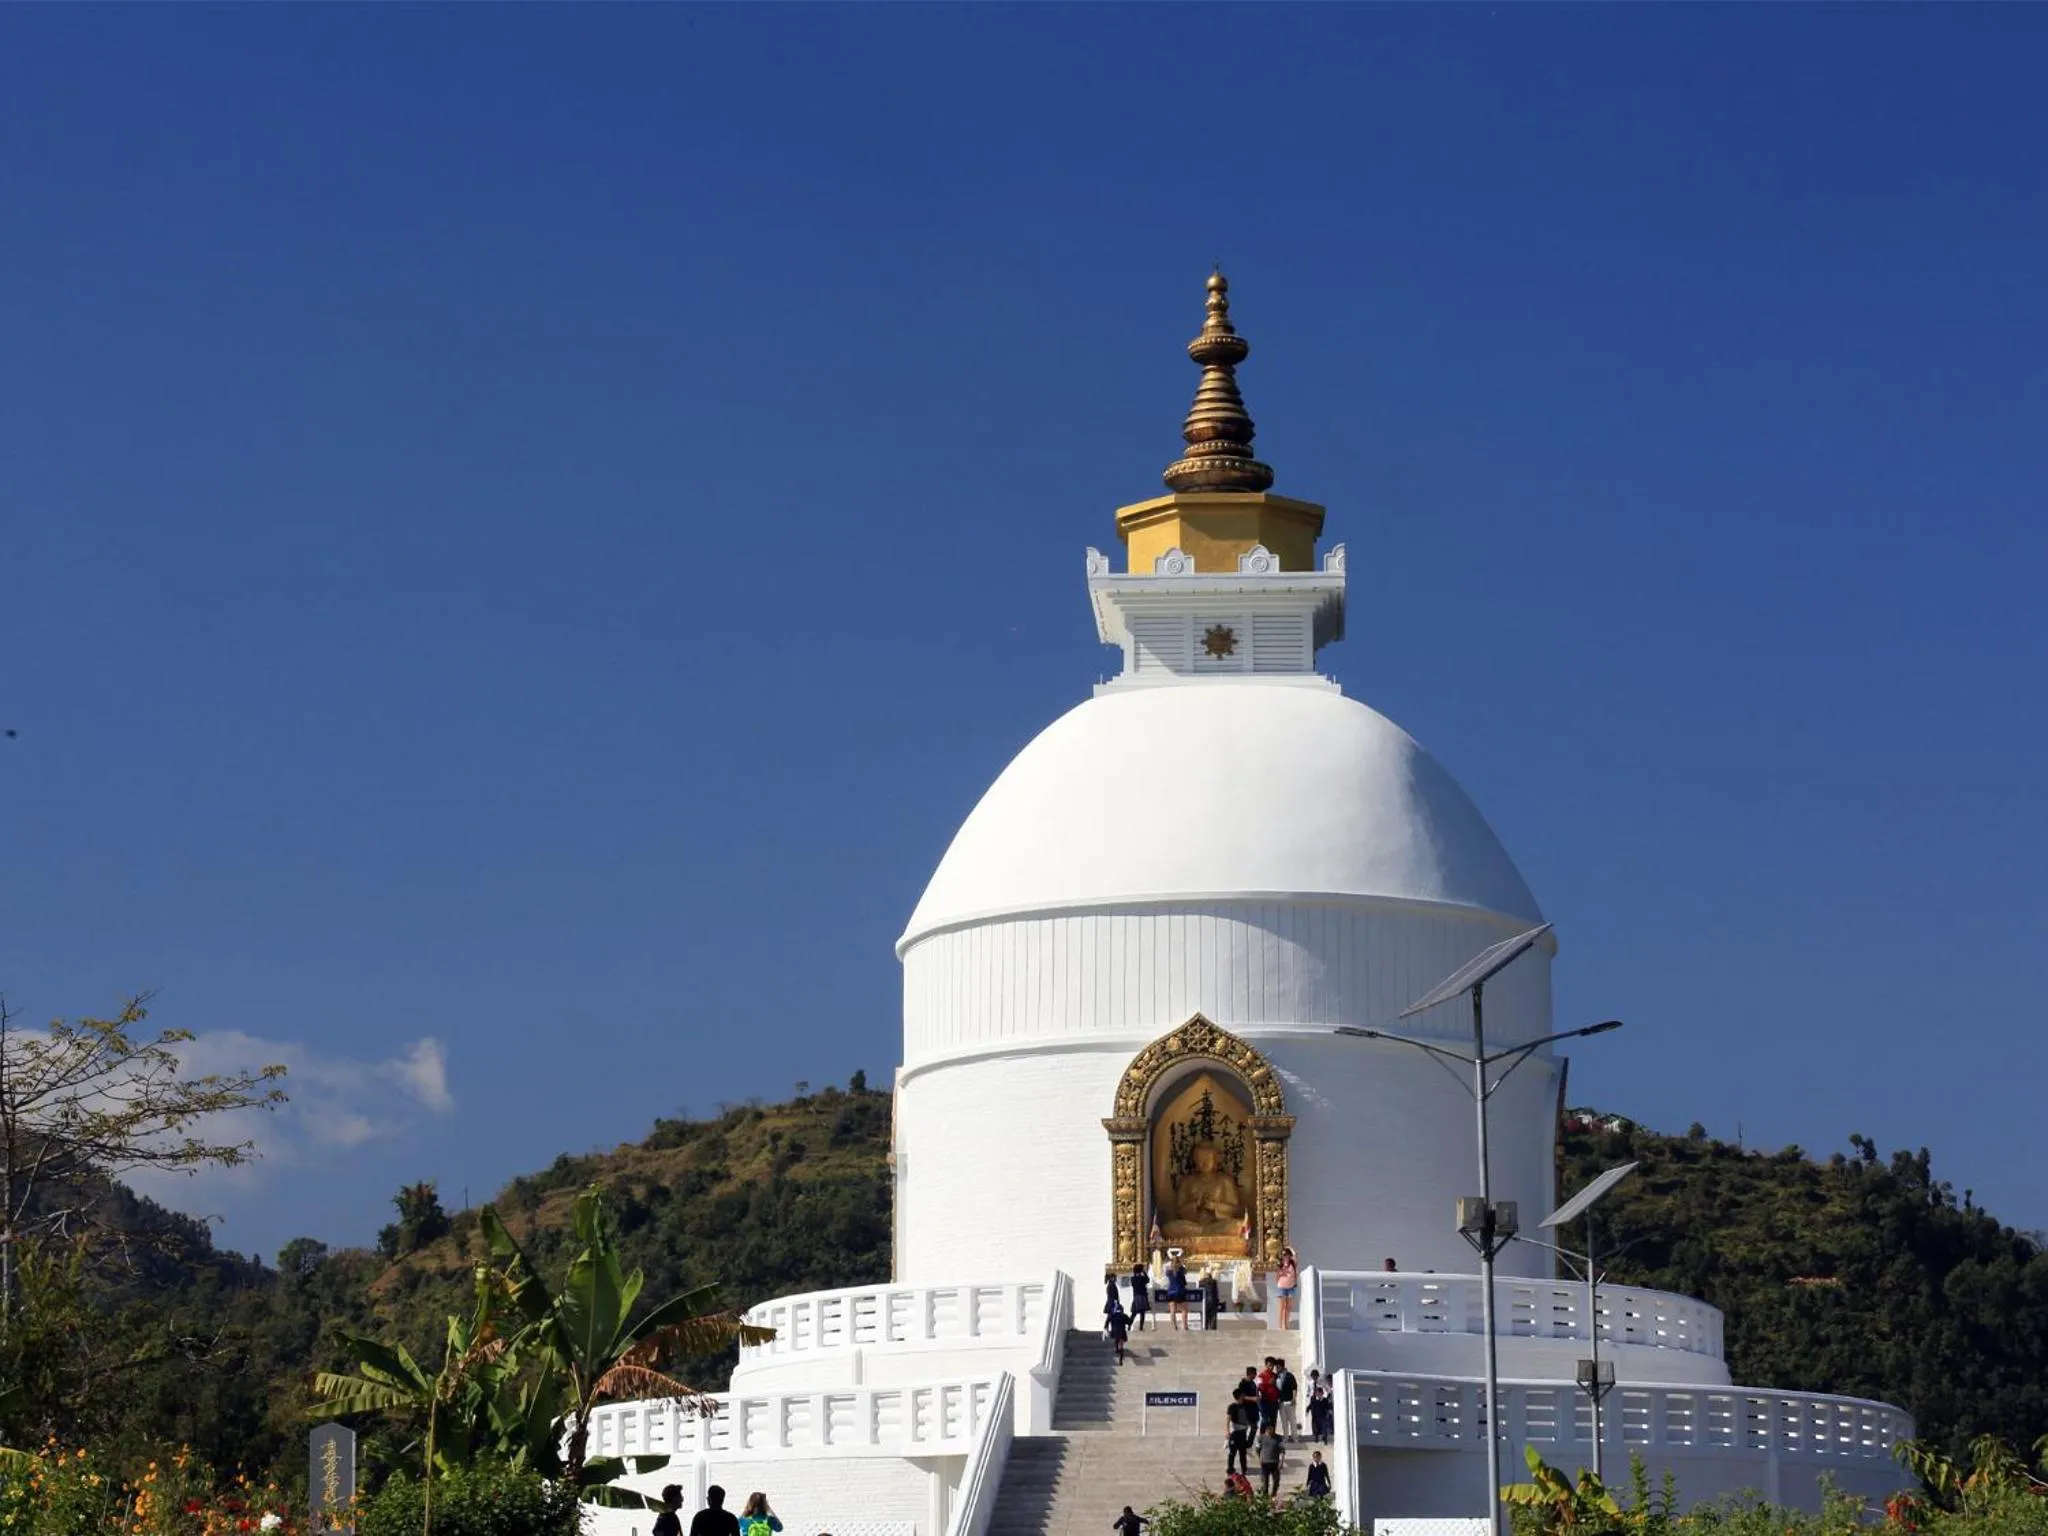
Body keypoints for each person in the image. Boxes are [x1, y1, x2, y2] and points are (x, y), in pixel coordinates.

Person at [1225, 1385, 1256, 1476]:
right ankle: (1230, 1469)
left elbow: (1247, 1418)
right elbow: (1228, 1419)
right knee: (1232, 1452)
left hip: (1243, 1432)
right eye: (1242, 1395)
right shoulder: (1232, 1407)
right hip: (1235, 1432)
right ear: (1239, 1396)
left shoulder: (1245, 1406)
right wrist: (1227, 1430)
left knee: (1243, 1452)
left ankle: (1244, 1469)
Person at [1274, 1246, 1300, 1331]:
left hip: (1291, 1287)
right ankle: (1280, 1325)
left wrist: (1289, 1248)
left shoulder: (1292, 1264)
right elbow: (1276, 1277)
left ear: (1289, 1255)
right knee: (1282, 1307)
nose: (1285, 1256)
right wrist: (1281, 1273)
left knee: (1289, 1307)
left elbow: (1295, 1255)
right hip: (1282, 1286)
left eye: (1286, 1254)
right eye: (1283, 1255)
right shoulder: (1280, 1264)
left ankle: (1286, 1324)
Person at [1256, 1424, 1284, 1498]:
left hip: (1275, 1462)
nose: (1270, 1431)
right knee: (1265, 1482)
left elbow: (1282, 1450)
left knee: (1276, 1481)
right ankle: (1265, 1497)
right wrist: (1260, 1459)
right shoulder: (1261, 1438)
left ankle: (1273, 1495)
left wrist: (1282, 1462)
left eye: (1271, 1429)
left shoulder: (1278, 1438)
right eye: (1269, 1429)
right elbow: (1257, 1449)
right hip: (1265, 1463)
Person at [1307, 1369, 1334, 1445]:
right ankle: (1315, 1433)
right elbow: (1308, 1391)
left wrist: (1323, 1397)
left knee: (1322, 1418)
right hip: (1314, 1400)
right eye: (1313, 1376)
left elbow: (1326, 1390)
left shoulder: (1321, 1383)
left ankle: (1323, 1433)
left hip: (1321, 1400)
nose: (1314, 1377)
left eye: (1315, 1376)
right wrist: (1309, 1396)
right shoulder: (1310, 1383)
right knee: (1314, 1418)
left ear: (1318, 1376)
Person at [1164, 1252, 1190, 1330]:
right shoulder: (1181, 1270)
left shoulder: (1169, 1271)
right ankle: (1185, 1326)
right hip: (1180, 1291)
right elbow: (1186, 1272)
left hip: (1171, 1291)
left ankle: (1174, 1326)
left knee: (1172, 1310)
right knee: (1184, 1310)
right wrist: (1181, 1264)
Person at [1275, 1356, 1298, 1439]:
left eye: (1278, 1367)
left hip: (1289, 1401)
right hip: (1281, 1402)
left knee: (1292, 1420)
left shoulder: (1289, 1376)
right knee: (1283, 1421)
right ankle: (1286, 1436)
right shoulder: (1276, 1377)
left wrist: (1294, 1398)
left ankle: (1295, 1436)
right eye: (1276, 1367)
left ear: (1282, 1366)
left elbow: (1294, 1388)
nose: (1276, 1369)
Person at [1256, 1358, 1279, 1434]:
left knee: (1273, 1419)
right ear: (1266, 1365)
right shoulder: (1261, 1375)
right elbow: (1259, 1387)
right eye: (1269, 1366)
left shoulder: (1275, 1375)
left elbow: (1278, 1388)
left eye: (1272, 1366)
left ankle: (1272, 1436)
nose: (1271, 1367)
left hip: (1274, 1402)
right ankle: (1261, 1437)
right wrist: (1268, 1383)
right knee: (1264, 1420)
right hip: (1265, 1402)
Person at [1128, 1262, 1152, 1330]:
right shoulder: (1142, 1278)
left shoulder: (1133, 1278)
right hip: (1142, 1296)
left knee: (1133, 1313)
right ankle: (1141, 1327)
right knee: (1142, 1313)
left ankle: (1129, 1325)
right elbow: (1147, 1280)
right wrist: (1144, 1273)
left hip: (1136, 1296)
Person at [1106, 1296, 1130, 1364]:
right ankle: (1121, 1359)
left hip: (1115, 1331)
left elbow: (1108, 1321)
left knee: (1116, 1340)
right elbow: (1129, 1322)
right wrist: (1128, 1326)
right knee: (1121, 1345)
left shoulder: (1113, 1315)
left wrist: (1106, 1327)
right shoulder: (1124, 1315)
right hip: (1122, 1332)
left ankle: (1116, 1348)